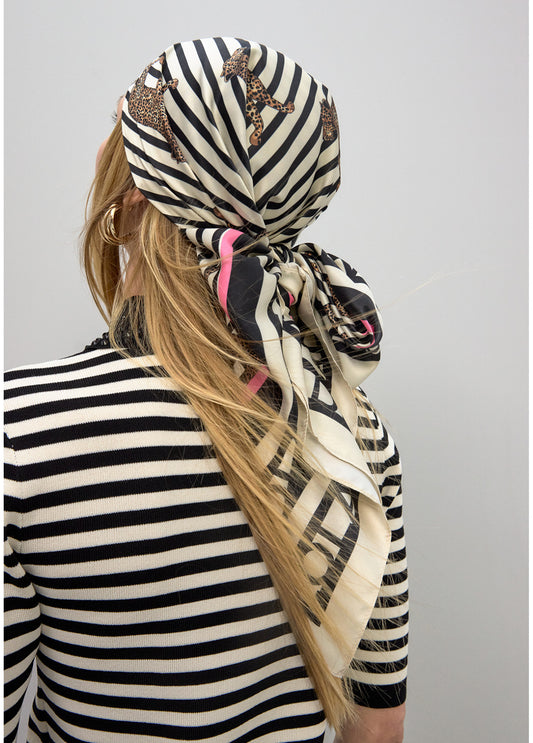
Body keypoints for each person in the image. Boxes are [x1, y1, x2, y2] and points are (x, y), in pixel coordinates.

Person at [4, 38, 408, 743]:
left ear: (133, 196)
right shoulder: (351, 432)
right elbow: (377, 725)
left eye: (116, 127)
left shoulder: (23, 430)